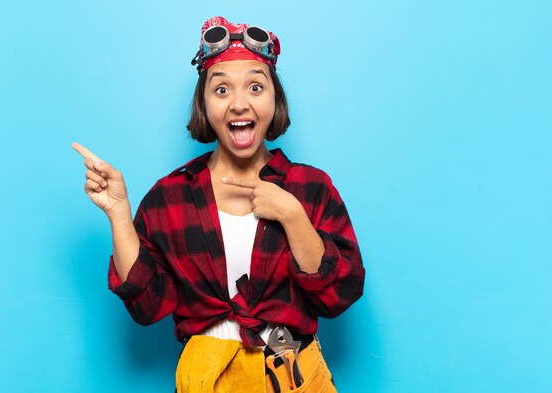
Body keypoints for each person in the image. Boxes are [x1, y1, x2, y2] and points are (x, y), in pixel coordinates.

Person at [73, 16, 365, 393]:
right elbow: (147, 306)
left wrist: (293, 216)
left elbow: (338, 296)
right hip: (208, 379)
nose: (239, 104)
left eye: (256, 87)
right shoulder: (170, 196)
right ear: (204, 103)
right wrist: (118, 213)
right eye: (222, 90)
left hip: (293, 375)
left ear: (274, 100)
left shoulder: (310, 187)